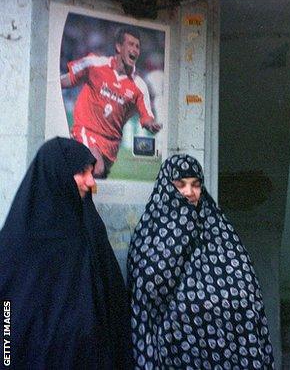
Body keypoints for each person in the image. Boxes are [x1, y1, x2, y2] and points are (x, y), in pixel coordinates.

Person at [127, 154, 274, 369]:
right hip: (172, 348)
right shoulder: (149, 233)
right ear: (167, 186)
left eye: (195, 185)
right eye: (181, 184)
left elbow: (244, 282)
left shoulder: (218, 228)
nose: (189, 192)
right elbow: (145, 296)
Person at [0, 137, 130, 368]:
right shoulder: (19, 243)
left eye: (91, 172)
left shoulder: (90, 228)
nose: (91, 181)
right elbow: (7, 322)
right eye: (82, 172)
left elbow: (113, 306)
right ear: (56, 174)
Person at [61, 26, 162, 179]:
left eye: (138, 46)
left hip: (110, 146)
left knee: (97, 180)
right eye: (131, 44)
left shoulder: (139, 85)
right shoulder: (94, 64)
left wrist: (150, 124)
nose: (135, 49)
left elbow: (146, 115)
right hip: (86, 130)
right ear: (118, 46)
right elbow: (67, 80)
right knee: (97, 167)